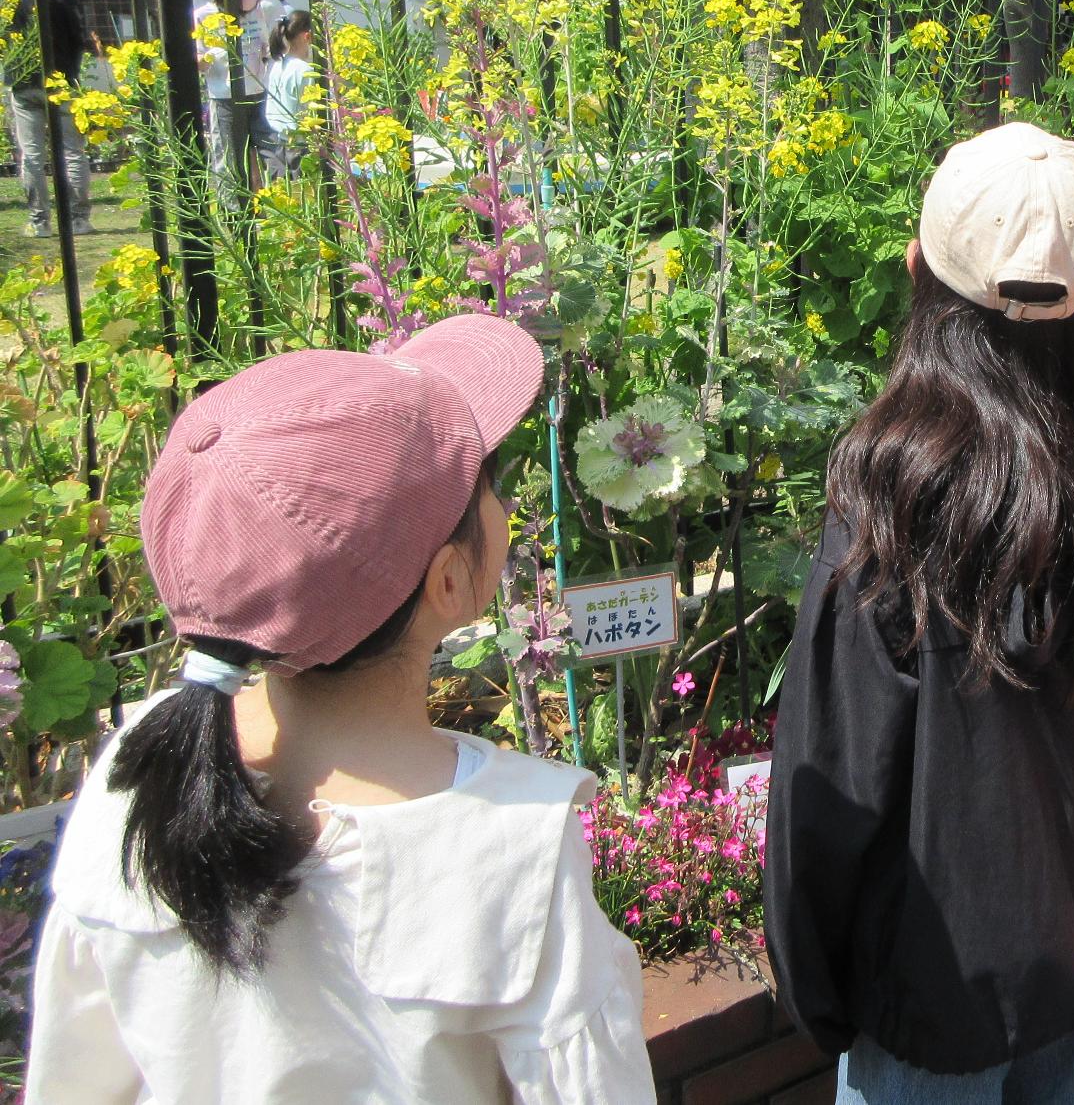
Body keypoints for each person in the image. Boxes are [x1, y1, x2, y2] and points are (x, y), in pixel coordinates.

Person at [27, 314, 654, 1105]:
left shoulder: (133, 772)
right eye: (488, 484)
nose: (501, 501)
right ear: (449, 582)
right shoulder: (510, 840)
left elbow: (71, 1078)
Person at [766, 121, 1074, 1105]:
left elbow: (830, 779)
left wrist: (817, 992)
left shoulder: (892, 499)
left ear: (917, 270)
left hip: (927, 999)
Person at [3, 0, 92, 238]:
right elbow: (78, 40)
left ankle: (39, 222)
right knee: (71, 151)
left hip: (21, 84)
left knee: (31, 154)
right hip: (60, 83)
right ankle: (78, 220)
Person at [194, 0, 287, 209]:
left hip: (261, 93)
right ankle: (236, 218)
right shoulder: (205, 15)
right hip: (225, 97)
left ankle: (283, 208)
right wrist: (211, 56)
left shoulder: (260, 11)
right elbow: (198, 58)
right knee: (231, 162)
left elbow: (273, 47)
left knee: (276, 153)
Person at [262, 11, 315, 180]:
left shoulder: (277, 63)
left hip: (278, 141)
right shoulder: (305, 71)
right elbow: (312, 111)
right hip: (300, 144)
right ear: (308, 37)